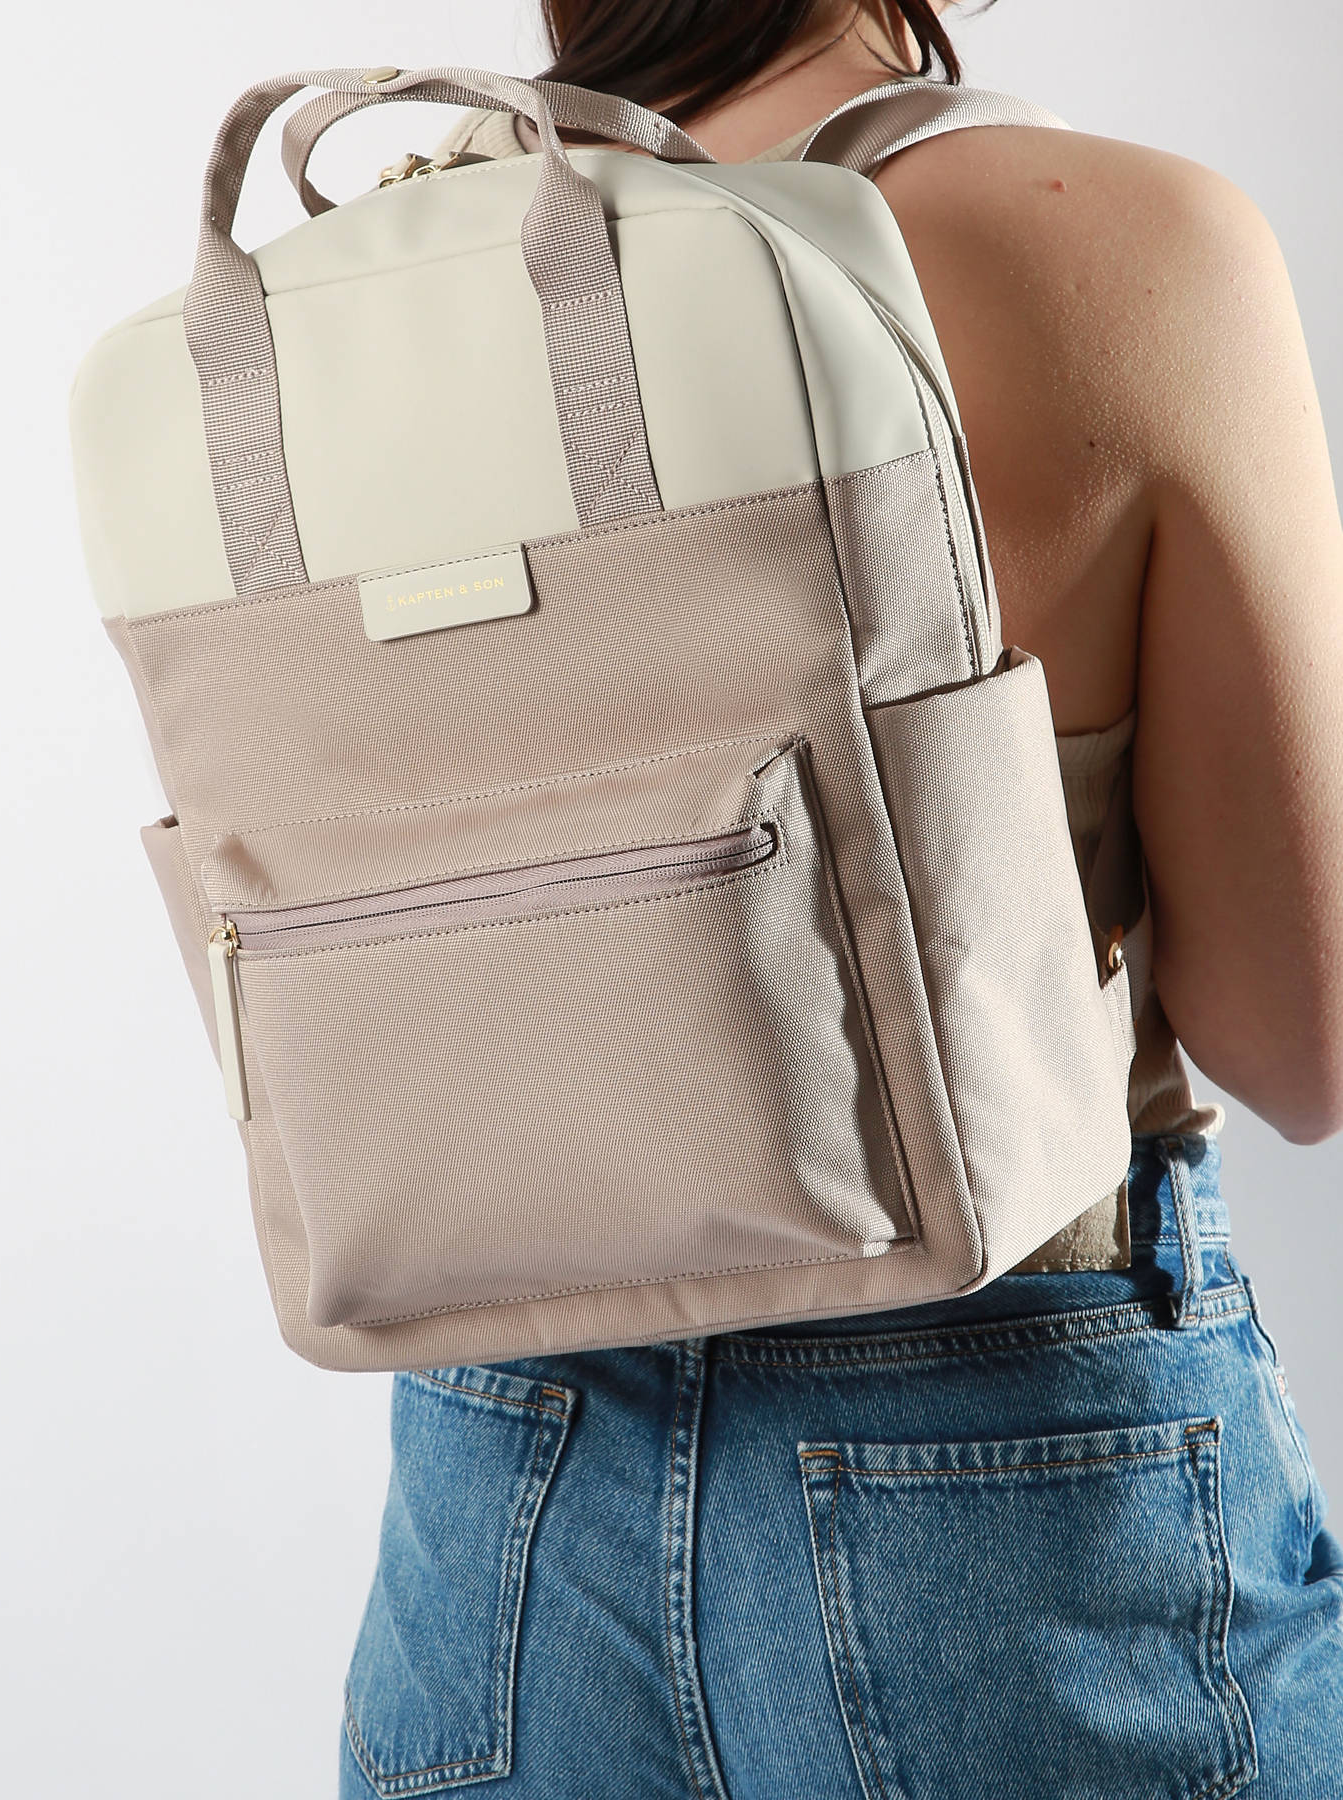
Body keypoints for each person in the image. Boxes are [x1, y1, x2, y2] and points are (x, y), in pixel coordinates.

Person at [339, 5, 1343, 1795]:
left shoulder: (366, 279)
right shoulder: (1115, 244)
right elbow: (1301, 1043)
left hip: (499, 1487)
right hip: (1012, 1461)